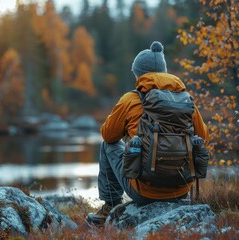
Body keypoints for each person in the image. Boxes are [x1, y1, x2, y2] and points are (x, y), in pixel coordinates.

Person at [86, 41, 209, 226]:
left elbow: (108, 135)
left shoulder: (130, 99)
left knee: (108, 146)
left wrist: (131, 137)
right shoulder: (186, 100)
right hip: (181, 189)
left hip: (144, 192)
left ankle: (109, 207)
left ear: (139, 74)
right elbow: (203, 138)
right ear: (165, 73)